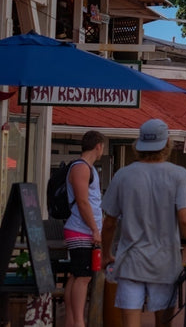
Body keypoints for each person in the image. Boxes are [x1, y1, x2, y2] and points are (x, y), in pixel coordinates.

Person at [101, 119, 186, 327]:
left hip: (130, 261)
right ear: (167, 144)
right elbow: (185, 218)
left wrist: (106, 253)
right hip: (165, 262)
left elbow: (109, 222)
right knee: (163, 322)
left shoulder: (123, 175)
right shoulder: (178, 174)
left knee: (130, 322)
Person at [63, 130, 104, 327]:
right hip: (81, 229)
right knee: (83, 277)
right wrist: (95, 229)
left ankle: (72, 320)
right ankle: (79, 321)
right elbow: (82, 201)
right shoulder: (81, 168)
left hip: (81, 228)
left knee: (76, 275)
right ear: (99, 146)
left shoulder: (86, 168)